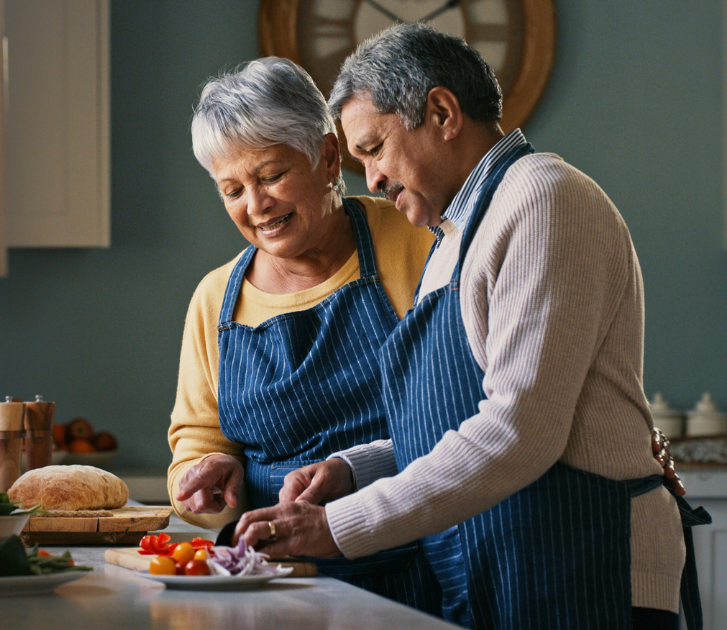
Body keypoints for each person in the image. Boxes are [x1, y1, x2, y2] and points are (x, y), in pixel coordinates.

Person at [234, 23, 708, 630]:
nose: (372, 180)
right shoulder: (455, 236)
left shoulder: (544, 200)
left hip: (584, 569)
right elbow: (461, 417)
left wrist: (338, 527)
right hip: (503, 566)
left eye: (374, 148)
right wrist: (358, 468)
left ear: (441, 112)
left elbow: (519, 429)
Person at [167, 57, 439, 611]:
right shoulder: (215, 298)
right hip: (270, 584)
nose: (256, 205)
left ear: (328, 155)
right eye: (232, 189)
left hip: (415, 570)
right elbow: (196, 441)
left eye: (270, 176)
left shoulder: (417, 242)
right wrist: (208, 478)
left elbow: (457, 417)